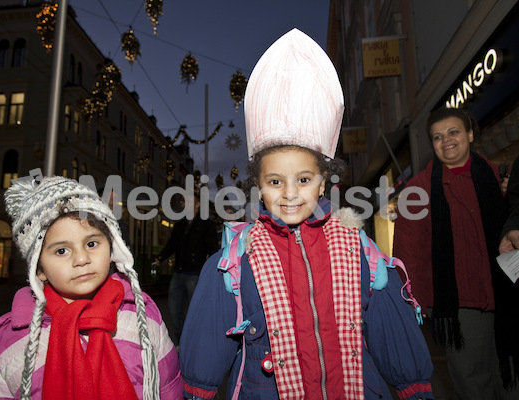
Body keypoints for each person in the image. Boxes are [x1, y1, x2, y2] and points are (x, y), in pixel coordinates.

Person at [179, 28, 434, 400]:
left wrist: (415, 390)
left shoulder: (358, 251)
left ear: (323, 181)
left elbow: (391, 331)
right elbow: (206, 346)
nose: (290, 193)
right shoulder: (233, 263)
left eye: (303, 178)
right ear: (259, 186)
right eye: (275, 181)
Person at [0, 175, 182, 400]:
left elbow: (169, 386)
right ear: (38, 269)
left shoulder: (143, 317)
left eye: (91, 244)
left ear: (112, 250)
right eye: (62, 250)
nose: (81, 259)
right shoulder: (9, 341)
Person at [393, 107, 519, 399]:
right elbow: (407, 254)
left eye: (453, 132)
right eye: (437, 137)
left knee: (512, 377)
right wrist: (413, 304)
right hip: (460, 307)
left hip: (506, 295)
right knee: (473, 384)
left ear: (470, 134)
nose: (446, 140)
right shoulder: (418, 190)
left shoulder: (498, 177)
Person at [153, 193, 219, 344]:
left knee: (195, 313)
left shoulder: (206, 224)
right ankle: (181, 342)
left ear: (197, 204)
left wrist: (212, 272)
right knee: (174, 310)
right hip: (178, 273)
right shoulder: (180, 224)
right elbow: (172, 245)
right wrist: (160, 258)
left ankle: (195, 343)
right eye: (184, 201)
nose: (185, 204)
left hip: (195, 275)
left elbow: (213, 250)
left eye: (188, 201)